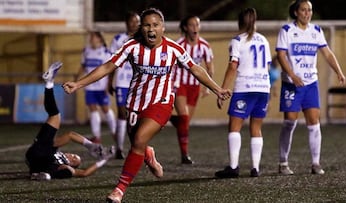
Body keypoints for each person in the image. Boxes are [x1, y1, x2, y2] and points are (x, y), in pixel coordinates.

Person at [62, 8, 231, 203]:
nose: (151, 29)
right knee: (137, 144)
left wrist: (217, 88)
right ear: (141, 28)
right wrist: (78, 84)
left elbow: (195, 69)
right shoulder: (131, 46)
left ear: (163, 27)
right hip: (135, 103)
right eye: (147, 25)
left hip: (161, 102)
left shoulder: (173, 48)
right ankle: (148, 154)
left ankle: (119, 189)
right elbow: (108, 67)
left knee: (140, 139)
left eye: (155, 25)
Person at [276, 0, 345, 175]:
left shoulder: (316, 31)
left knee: (314, 122)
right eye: (304, 10)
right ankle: (283, 162)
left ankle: (315, 163)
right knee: (290, 121)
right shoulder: (287, 31)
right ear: (296, 12)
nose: (307, 13)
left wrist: (338, 71)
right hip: (292, 84)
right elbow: (281, 55)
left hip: (310, 83)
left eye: (310, 10)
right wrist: (292, 74)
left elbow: (327, 53)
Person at [25, 62, 114, 180]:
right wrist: (91, 146)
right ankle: (49, 83)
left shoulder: (64, 165)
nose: (71, 156)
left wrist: (103, 160)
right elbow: (70, 135)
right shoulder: (55, 150)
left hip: (37, 161)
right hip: (39, 150)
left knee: (65, 170)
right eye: (74, 156)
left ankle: (42, 174)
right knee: (55, 115)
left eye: (73, 159)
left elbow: (84, 173)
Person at [214, 8, 272, 178]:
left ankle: (233, 167)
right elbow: (267, 66)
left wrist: (222, 89)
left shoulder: (238, 40)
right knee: (256, 128)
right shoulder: (264, 40)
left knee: (235, 126)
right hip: (262, 87)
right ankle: (255, 168)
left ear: (240, 22)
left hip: (245, 88)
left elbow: (233, 66)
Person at [170, 15, 215, 164]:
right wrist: (171, 84)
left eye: (197, 25)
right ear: (185, 28)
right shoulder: (179, 44)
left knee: (185, 122)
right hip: (180, 84)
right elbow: (171, 65)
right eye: (191, 25)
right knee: (184, 117)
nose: (195, 28)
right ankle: (184, 154)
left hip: (194, 86)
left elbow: (210, 67)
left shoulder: (204, 46)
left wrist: (207, 86)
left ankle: (170, 118)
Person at [109, 11, 140, 159]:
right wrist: (109, 81)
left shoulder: (143, 39)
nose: (135, 24)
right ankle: (119, 149)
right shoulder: (118, 39)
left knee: (135, 116)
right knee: (122, 115)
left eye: (137, 21)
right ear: (127, 23)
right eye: (132, 21)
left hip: (139, 83)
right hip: (122, 82)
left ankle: (137, 147)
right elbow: (112, 63)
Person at [77, 31, 116, 144]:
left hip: (101, 86)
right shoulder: (86, 51)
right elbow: (83, 66)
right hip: (89, 86)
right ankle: (96, 136)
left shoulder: (105, 52)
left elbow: (109, 69)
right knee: (92, 109)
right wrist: (77, 80)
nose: (91, 39)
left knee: (105, 109)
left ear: (99, 39)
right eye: (91, 37)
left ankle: (114, 132)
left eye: (93, 37)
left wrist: (108, 84)